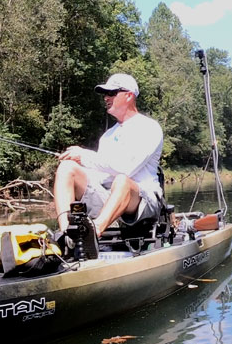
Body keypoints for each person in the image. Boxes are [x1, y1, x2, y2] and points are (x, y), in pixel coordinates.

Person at [54, 73, 164, 239]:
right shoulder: (107, 136)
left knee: (122, 181)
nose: (106, 97)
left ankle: (95, 232)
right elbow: (101, 174)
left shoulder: (149, 128)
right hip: (109, 197)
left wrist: (83, 156)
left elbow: (125, 168)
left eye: (112, 93)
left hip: (144, 201)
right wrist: (78, 166)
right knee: (67, 168)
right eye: (105, 94)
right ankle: (66, 235)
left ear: (129, 95)